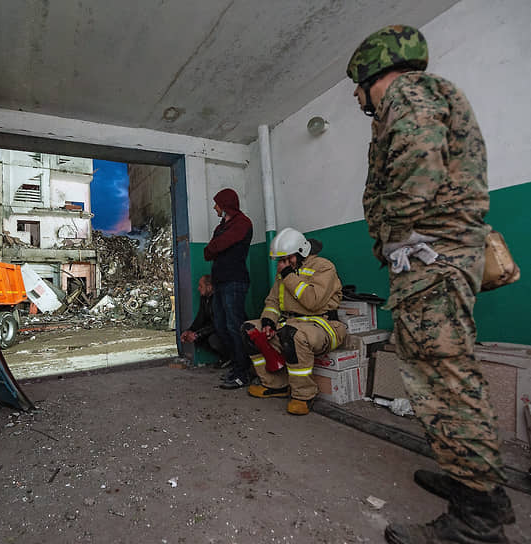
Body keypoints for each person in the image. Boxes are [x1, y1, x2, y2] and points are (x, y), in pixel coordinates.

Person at [347, 24, 515, 543]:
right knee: (444, 375)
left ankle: (477, 523)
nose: (357, 95)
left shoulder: (407, 95)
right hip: (437, 261)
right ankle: (474, 486)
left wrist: (395, 234)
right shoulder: (428, 95)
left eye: (357, 84)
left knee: (444, 383)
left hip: (431, 263)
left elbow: (417, 170)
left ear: (376, 72)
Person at [241, 228, 346, 415]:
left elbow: (313, 301)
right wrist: (268, 323)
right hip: (289, 324)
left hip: (323, 325)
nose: (282, 264)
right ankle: (276, 385)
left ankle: (304, 395)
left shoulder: (323, 267)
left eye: (287, 258)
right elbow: (273, 302)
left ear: (300, 252)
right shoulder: (285, 271)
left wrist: (288, 276)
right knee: (250, 330)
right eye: (280, 260)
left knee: (292, 334)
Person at [203, 188, 253, 389]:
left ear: (225, 205)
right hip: (221, 282)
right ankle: (237, 366)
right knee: (222, 326)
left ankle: (243, 372)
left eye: (217, 203)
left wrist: (214, 246)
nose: (214, 207)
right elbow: (208, 252)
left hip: (234, 282)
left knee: (235, 326)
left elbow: (215, 247)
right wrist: (214, 247)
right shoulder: (222, 226)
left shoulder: (242, 223)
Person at [179, 274, 229, 367]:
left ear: (209, 287)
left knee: (212, 340)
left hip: (224, 330)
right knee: (197, 339)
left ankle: (230, 357)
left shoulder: (218, 299)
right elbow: (200, 317)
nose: (198, 288)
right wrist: (190, 331)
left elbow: (219, 323)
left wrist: (197, 334)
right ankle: (224, 357)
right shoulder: (204, 298)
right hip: (213, 328)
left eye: (201, 286)